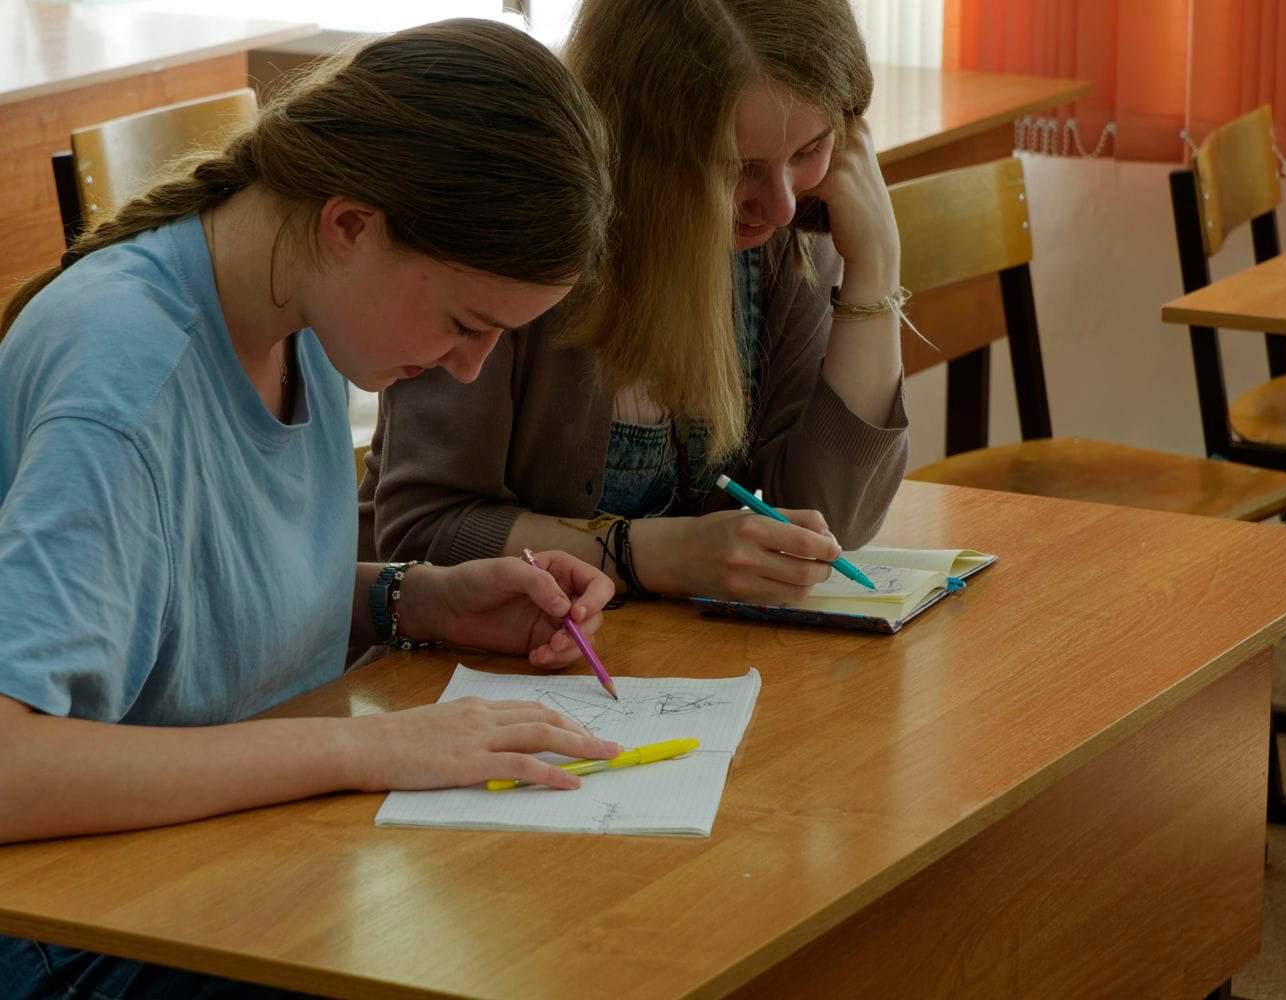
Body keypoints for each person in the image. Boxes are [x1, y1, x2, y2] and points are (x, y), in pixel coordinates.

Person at [0, 19, 620, 996]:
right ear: (350, 225)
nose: (469, 368)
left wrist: (410, 599)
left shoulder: (304, 311)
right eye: (465, 325)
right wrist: (363, 744)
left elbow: (178, 601)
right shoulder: (123, 389)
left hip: (230, 866)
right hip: (73, 931)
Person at [358, 0, 910, 607]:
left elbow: (824, 528)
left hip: (654, 654)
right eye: (735, 168)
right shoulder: (517, 224)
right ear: (637, 148)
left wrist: (876, 269)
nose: (779, 206)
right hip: (454, 656)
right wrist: (657, 555)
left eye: (809, 150)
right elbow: (421, 531)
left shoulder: (782, 239)